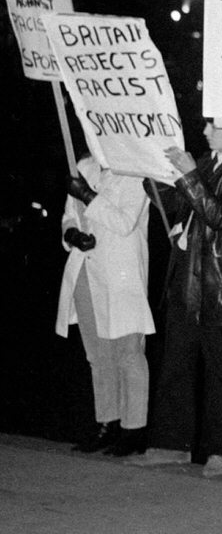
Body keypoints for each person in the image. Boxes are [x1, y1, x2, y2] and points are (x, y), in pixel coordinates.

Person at [128, 121, 222, 476]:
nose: (204, 130)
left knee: (219, 369)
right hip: (186, 276)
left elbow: (219, 215)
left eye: (212, 125)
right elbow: (171, 202)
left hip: (216, 281)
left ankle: (221, 450)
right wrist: (152, 172)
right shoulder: (204, 162)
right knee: (175, 362)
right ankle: (171, 443)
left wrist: (188, 176)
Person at [57, 157, 155, 457]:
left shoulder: (135, 169)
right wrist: (72, 233)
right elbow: (69, 215)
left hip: (121, 273)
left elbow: (124, 222)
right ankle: (107, 422)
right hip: (85, 269)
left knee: (128, 353)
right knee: (98, 355)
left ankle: (133, 429)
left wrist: (87, 195)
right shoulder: (85, 167)